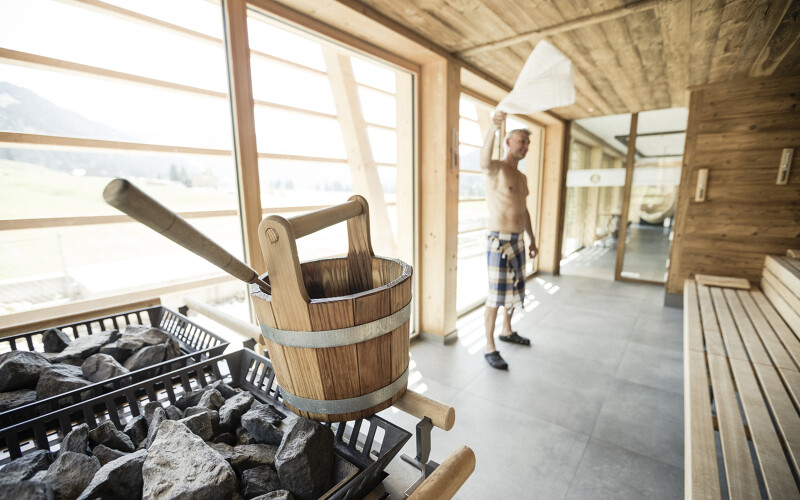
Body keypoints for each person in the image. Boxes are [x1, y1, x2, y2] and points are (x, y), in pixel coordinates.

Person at [480, 110, 538, 370]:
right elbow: (483, 159)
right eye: (521, 141)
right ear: (508, 142)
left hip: (518, 240)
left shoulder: (523, 178)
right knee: (495, 295)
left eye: (527, 142)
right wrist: (494, 126)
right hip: (498, 240)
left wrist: (532, 239)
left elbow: (524, 210)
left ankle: (507, 330)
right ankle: (489, 345)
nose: (525, 146)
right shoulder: (496, 170)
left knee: (515, 290)